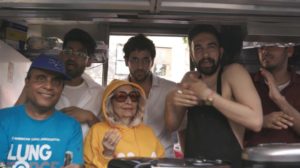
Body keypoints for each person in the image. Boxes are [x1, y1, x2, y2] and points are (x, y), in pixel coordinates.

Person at [164, 25, 263, 168]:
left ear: (220, 52)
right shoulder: (190, 79)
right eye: (198, 48)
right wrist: (170, 100)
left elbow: (256, 121)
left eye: (211, 47)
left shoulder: (233, 73)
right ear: (192, 55)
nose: (205, 55)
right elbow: (171, 126)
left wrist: (209, 96)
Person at [16, 28, 104, 138]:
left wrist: (90, 117)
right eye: (68, 51)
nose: (72, 57)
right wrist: (30, 83)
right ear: (61, 54)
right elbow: (15, 119)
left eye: (80, 53)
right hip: (46, 152)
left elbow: (108, 135)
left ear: (89, 61)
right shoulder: (44, 88)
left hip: (86, 155)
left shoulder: (100, 93)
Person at [0, 54, 83, 167]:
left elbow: (74, 164)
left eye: (56, 81)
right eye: (40, 78)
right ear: (27, 82)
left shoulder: (71, 126)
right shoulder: (3, 119)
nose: (48, 86)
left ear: (62, 88)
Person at [84, 79, 165, 168]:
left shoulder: (148, 131)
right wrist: (107, 154)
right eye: (121, 97)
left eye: (133, 96)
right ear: (110, 101)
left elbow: (161, 163)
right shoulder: (97, 131)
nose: (129, 102)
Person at [122, 34, 177, 157]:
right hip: (127, 158)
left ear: (152, 62)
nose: (140, 66)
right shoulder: (116, 91)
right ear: (126, 61)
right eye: (134, 59)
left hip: (163, 158)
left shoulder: (170, 89)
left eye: (145, 60)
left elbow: (182, 129)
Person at [245, 43, 300, 147]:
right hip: (255, 159)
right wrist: (261, 122)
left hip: (295, 160)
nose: (264, 51)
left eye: (272, 45)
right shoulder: (246, 82)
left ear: (289, 51)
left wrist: (279, 100)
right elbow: (228, 126)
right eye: (261, 46)